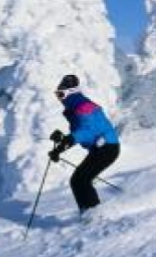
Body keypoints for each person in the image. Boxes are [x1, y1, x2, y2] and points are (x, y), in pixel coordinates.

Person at [48, 74, 120, 214]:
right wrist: (60, 147)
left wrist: (66, 140)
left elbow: (86, 131)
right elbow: (82, 133)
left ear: (69, 93)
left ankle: (93, 214)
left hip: (107, 148)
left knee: (81, 180)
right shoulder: (78, 106)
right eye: (57, 94)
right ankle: (88, 213)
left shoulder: (83, 107)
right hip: (102, 148)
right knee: (79, 180)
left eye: (60, 94)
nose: (59, 98)